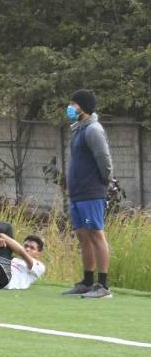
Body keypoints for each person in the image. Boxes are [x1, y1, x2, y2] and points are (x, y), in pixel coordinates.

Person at [61, 89, 114, 298]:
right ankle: (87, 281)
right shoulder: (79, 129)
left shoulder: (93, 130)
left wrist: (104, 182)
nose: (70, 107)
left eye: (73, 104)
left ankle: (103, 286)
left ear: (82, 107)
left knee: (96, 234)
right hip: (78, 193)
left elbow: (104, 159)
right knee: (83, 236)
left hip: (91, 192)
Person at [0, 224, 46, 290]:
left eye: (32, 248)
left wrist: (2, 236)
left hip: (1, 280)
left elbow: (23, 253)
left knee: (7, 228)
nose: (27, 249)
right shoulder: (10, 258)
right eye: (26, 246)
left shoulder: (39, 266)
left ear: (38, 254)